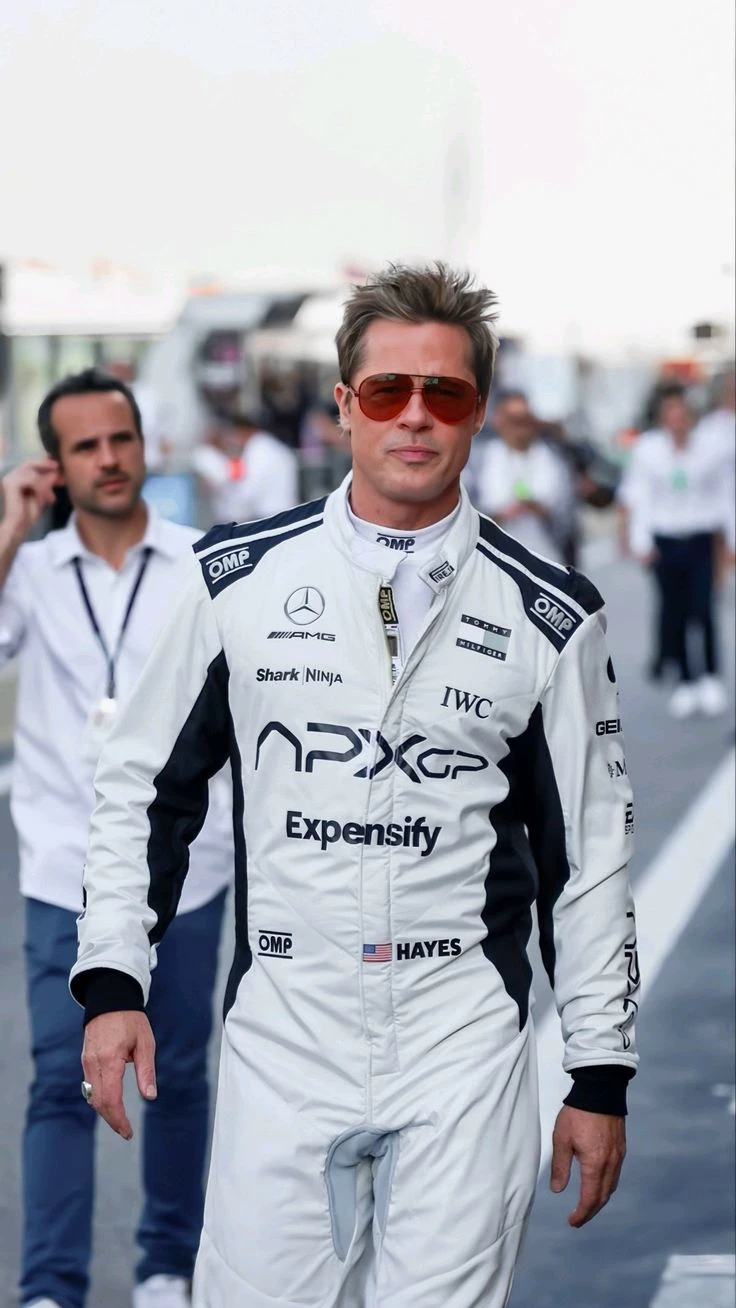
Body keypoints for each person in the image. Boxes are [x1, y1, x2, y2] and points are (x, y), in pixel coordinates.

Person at [71, 265, 639, 1308]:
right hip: (286, 1031)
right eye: (387, 391)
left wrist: (598, 1073)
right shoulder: (235, 580)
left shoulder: (552, 617)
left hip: (460, 1038)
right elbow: (143, 789)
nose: (415, 416)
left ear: (477, 411)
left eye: (444, 393)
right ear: (343, 405)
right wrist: (114, 981)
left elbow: (590, 859)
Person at [0, 369, 233, 1308]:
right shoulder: (28, 571)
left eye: (120, 439)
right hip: (63, 864)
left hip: (185, 866)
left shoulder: (202, 564)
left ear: (145, 446)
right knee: (59, 1077)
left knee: (177, 1073)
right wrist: (10, 528)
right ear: (55, 465)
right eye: (86, 446)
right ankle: (51, 1286)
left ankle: (167, 1267)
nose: (108, 458)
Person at [619, 382, 731, 718]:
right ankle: (685, 679)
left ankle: (710, 676)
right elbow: (639, 496)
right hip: (666, 541)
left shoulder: (711, 448)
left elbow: (725, 494)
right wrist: (640, 541)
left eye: (683, 413)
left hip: (700, 538)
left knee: (703, 608)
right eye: (672, 414)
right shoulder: (648, 450)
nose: (678, 420)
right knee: (674, 610)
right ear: (663, 418)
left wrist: (731, 541)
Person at [474, 389, 574, 563]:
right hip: (493, 560)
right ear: (499, 420)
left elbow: (567, 517)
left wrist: (537, 509)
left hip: (547, 559)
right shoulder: (479, 459)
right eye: (513, 419)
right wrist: (499, 515)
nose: (520, 426)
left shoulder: (553, 457)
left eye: (525, 419)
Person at [191, 410, 299, 526]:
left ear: (243, 431)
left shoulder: (257, 450)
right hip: (285, 509)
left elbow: (250, 488)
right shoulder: (273, 446)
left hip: (268, 514)